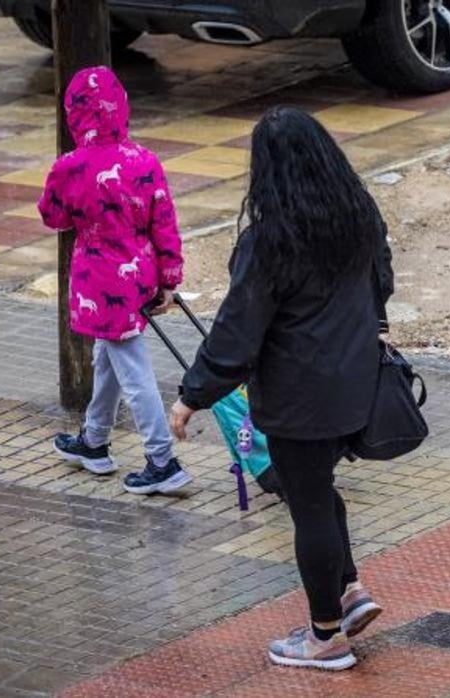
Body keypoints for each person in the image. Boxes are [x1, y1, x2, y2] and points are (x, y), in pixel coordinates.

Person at [169, 106, 394, 672]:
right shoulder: (358, 217)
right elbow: (380, 281)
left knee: (309, 504)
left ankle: (325, 639)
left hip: (299, 399)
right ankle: (348, 592)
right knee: (317, 491)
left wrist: (192, 395)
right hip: (355, 385)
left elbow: (236, 332)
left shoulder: (271, 241)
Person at [41, 66, 190, 496]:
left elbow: (52, 216)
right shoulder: (144, 160)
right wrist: (169, 278)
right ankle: (94, 439)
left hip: (97, 278)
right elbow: (164, 223)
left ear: (74, 114)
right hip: (140, 273)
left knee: (133, 369)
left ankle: (162, 460)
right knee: (108, 354)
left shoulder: (70, 166)